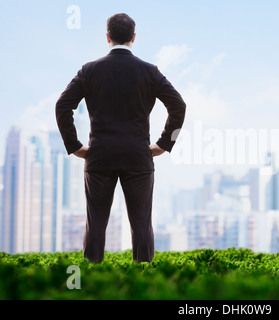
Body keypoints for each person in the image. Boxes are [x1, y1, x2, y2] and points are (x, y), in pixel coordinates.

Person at [55, 13, 186, 263]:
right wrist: (163, 144)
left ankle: (91, 283)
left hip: (99, 156)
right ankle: (143, 282)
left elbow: (63, 105)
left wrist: (75, 146)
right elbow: (179, 106)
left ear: (107, 37)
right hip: (138, 156)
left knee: (95, 225)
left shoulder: (89, 70)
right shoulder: (150, 72)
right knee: (141, 225)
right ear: (133, 37)